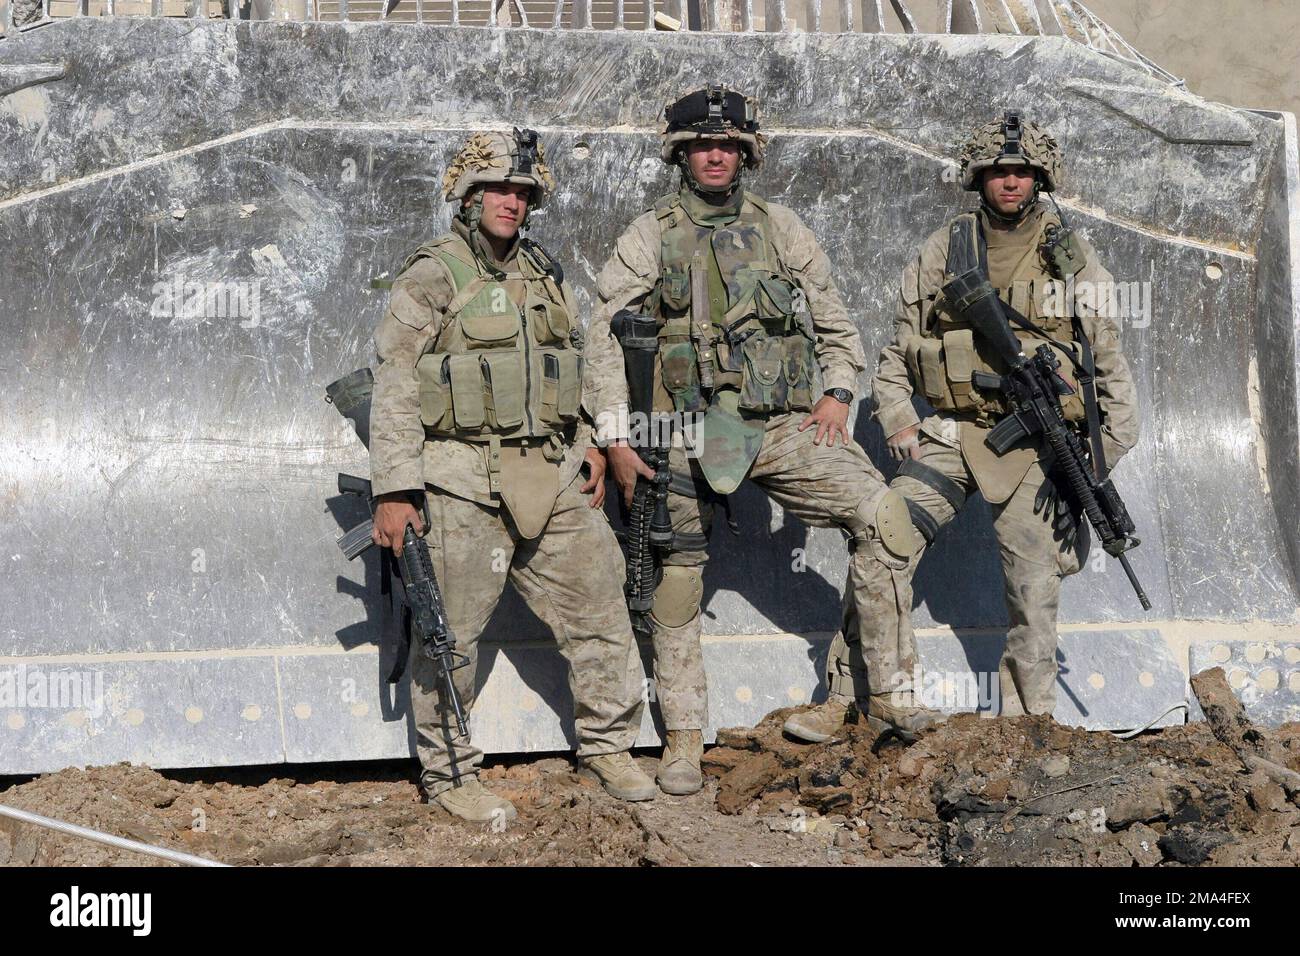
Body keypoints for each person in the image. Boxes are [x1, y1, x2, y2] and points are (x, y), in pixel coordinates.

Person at [589, 85, 941, 793]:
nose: (715, 156)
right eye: (701, 147)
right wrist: (617, 438)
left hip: (778, 425)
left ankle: (868, 693)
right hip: (678, 430)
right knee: (676, 581)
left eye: (727, 146)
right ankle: (683, 741)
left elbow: (837, 327)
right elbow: (600, 339)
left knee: (886, 519)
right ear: (681, 156)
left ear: (746, 153)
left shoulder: (782, 228)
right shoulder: (647, 234)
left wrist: (839, 394)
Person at [368, 128, 656, 821]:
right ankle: (451, 774)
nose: (512, 202)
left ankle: (610, 747)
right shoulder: (432, 275)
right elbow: (396, 383)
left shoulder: (546, 272)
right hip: (461, 481)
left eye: (523, 191)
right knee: (451, 637)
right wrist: (395, 490)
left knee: (600, 608)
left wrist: (590, 440)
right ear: (467, 197)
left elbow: (573, 361)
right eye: (497, 188)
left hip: (551, 474)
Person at [855, 111, 1140, 718]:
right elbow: (899, 347)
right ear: (977, 178)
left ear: (1040, 179)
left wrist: (1101, 450)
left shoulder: (1069, 256)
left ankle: (1028, 723)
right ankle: (877, 698)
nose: (1009, 182)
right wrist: (899, 419)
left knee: (1034, 586)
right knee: (883, 539)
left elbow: (1107, 353)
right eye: (996, 172)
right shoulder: (947, 249)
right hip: (953, 432)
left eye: (1021, 172)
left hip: (1034, 442)